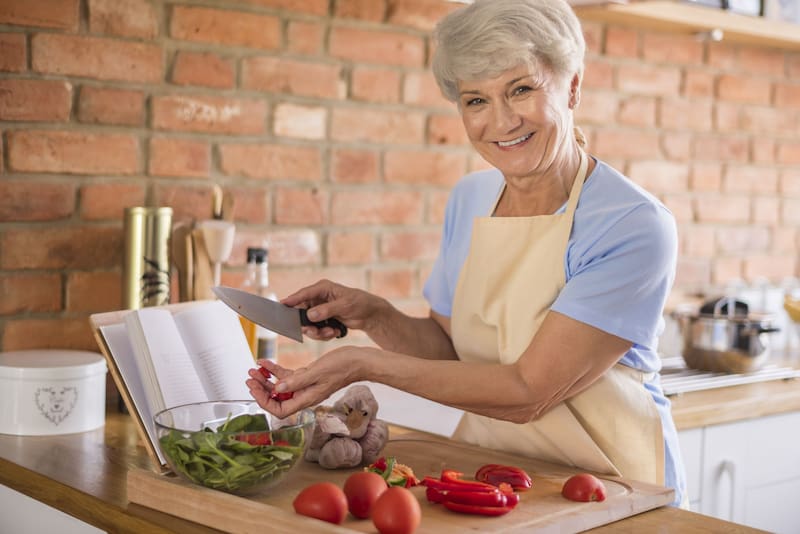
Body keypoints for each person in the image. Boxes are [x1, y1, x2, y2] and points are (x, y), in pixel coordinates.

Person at [247, 0, 687, 507]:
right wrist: (373, 314)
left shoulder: (631, 224)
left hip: (615, 491)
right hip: (501, 484)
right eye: (475, 100)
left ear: (572, 87)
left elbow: (528, 391)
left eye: (521, 89)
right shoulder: (471, 199)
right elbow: (450, 351)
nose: (500, 121)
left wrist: (360, 365)